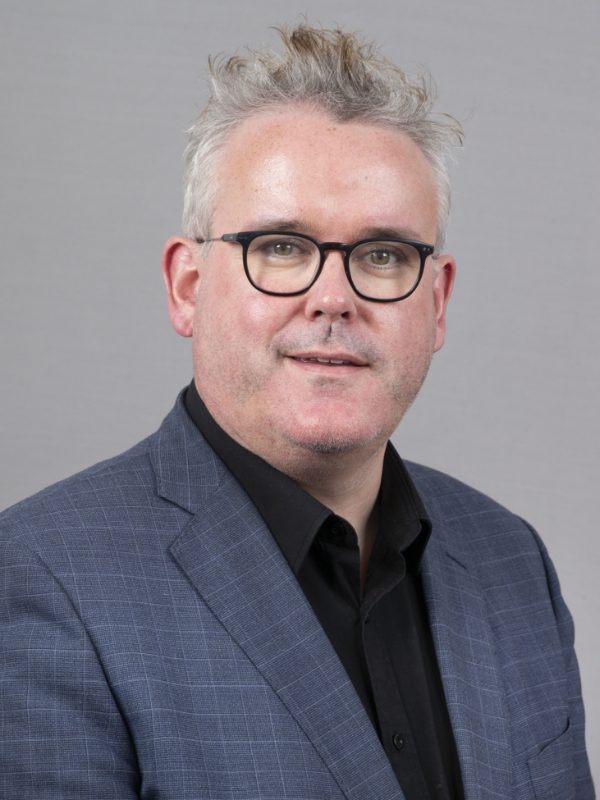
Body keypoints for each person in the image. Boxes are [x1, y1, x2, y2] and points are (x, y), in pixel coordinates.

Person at [0, 23, 594, 800]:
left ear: (438, 302)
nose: (334, 298)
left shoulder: (510, 560)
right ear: (187, 287)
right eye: (281, 246)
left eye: (383, 255)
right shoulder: (45, 577)